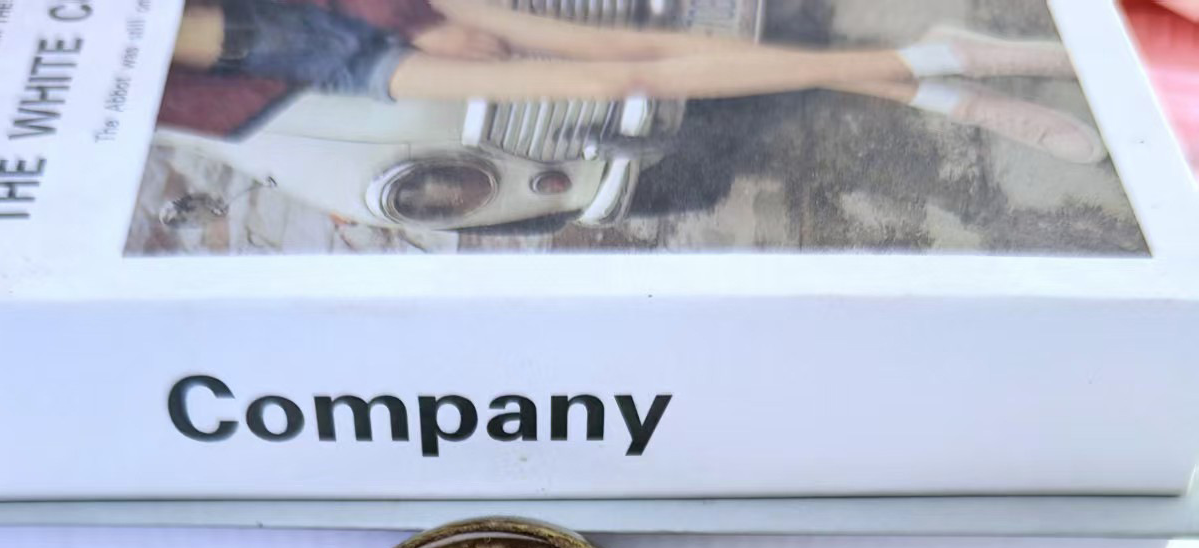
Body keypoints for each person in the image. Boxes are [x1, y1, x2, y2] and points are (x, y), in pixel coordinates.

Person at [163, 0, 1105, 164]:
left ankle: (945, 74)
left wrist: (408, 12)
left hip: (365, 9)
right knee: (624, 75)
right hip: (330, 62)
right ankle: (936, 69)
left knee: (632, 56)